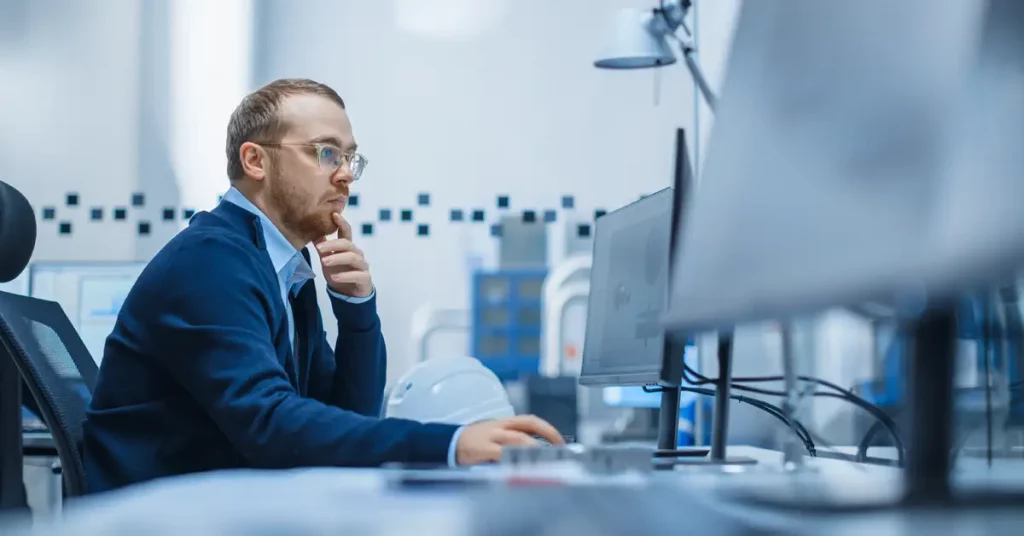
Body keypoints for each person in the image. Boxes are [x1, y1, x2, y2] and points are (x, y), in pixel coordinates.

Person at [81, 78, 563, 493]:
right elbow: (269, 424)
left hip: (214, 500)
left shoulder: (284, 268)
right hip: (157, 517)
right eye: (326, 152)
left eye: (351, 158)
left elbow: (345, 412)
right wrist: (452, 444)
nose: (345, 176)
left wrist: (356, 311)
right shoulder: (211, 261)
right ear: (255, 161)